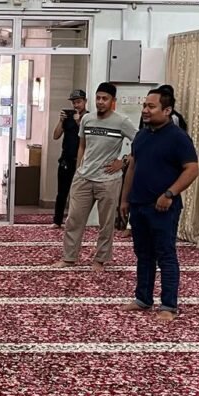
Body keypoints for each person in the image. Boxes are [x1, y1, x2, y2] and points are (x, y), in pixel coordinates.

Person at [120, 88, 199, 321]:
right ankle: (143, 298)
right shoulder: (141, 135)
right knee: (143, 254)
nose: (145, 110)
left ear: (167, 110)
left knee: (166, 255)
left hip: (163, 208)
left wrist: (169, 193)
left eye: (151, 106)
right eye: (144, 105)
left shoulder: (178, 137)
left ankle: (168, 305)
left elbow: (192, 169)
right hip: (139, 205)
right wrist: (125, 199)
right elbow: (132, 167)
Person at [51, 82, 138, 272]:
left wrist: (123, 161)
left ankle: (100, 260)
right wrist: (79, 168)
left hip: (108, 180)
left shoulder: (122, 121)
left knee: (106, 223)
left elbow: (140, 143)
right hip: (83, 178)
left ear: (113, 101)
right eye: (98, 98)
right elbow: (82, 145)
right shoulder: (87, 119)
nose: (100, 102)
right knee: (73, 219)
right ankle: (69, 257)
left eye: (105, 98)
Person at [51, 89, 88, 228]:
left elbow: (89, 139)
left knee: (78, 194)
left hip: (82, 161)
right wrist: (61, 121)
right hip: (66, 160)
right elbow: (55, 136)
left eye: (79, 102)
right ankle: (57, 220)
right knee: (62, 192)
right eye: (74, 103)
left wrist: (79, 123)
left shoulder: (89, 118)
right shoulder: (68, 117)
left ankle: (75, 221)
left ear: (85, 101)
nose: (76, 105)